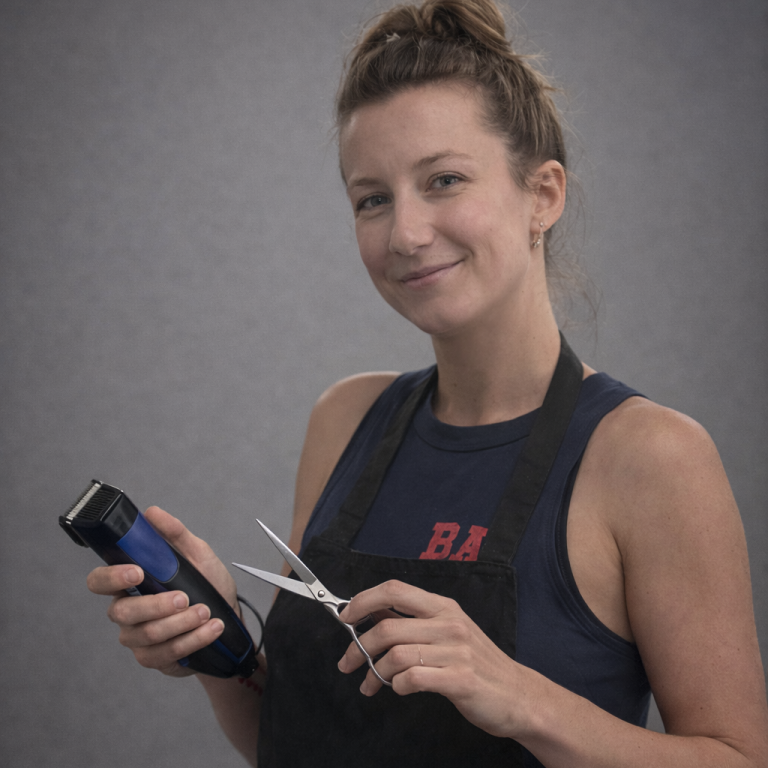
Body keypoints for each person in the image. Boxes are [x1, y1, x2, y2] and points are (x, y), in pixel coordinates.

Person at [86, 0, 768, 765]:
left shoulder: (650, 456)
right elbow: (293, 739)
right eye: (372, 199)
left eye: (444, 179)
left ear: (542, 195)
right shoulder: (347, 417)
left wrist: (523, 700)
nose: (405, 234)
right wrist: (221, 650)